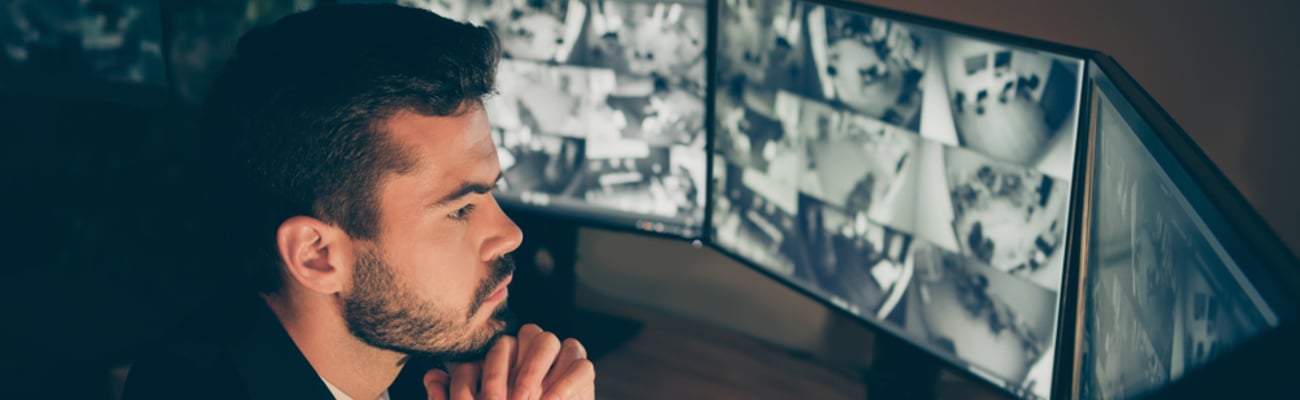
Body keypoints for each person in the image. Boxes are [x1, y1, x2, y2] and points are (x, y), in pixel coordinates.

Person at [122, 4, 594, 400]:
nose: (511, 233)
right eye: (460, 209)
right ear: (317, 254)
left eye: (491, 190)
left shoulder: (416, 349)